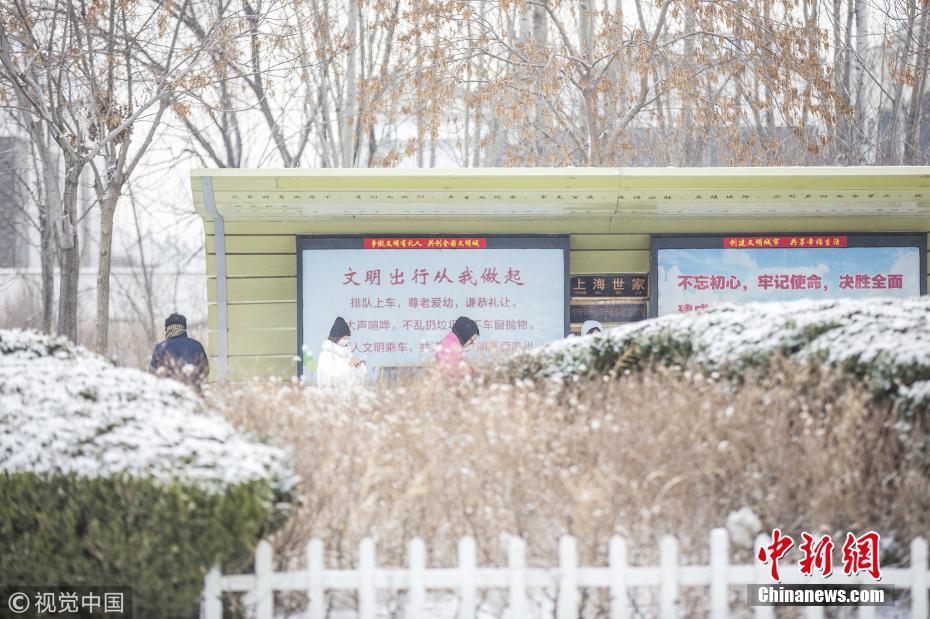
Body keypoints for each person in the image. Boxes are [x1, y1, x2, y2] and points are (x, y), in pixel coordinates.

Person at [149, 313, 209, 388]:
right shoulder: (197, 345)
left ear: (167, 329)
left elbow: (152, 373)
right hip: (193, 390)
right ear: (184, 328)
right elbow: (205, 370)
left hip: (169, 391)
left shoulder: (160, 347)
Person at [316, 317, 367, 388]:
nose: (346, 341)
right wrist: (348, 366)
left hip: (348, 394)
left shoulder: (347, 353)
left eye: (347, 339)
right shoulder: (326, 355)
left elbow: (359, 380)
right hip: (332, 394)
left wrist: (359, 367)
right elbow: (326, 381)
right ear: (335, 338)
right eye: (344, 338)